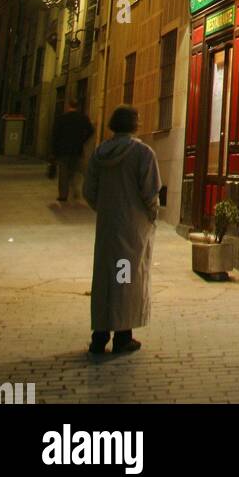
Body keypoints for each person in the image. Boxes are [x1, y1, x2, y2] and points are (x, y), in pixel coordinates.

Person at [82, 105, 162, 357]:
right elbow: (151, 192)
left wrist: (104, 209)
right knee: (125, 279)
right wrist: (150, 215)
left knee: (107, 279)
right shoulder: (142, 153)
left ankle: (100, 335)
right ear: (135, 124)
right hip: (132, 230)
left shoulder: (100, 154)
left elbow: (89, 190)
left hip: (108, 228)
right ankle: (123, 336)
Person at [51, 100, 94, 202]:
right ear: (78, 106)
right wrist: (83, 140)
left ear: (68, 106)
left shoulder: (62, 118)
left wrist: (54, 151)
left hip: (63, 149)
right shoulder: (82, 118)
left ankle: (63, 195)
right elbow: (91, 130)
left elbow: (55, 135)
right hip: (77, 149)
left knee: (63, 172)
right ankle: (75, 189)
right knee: (76, 171)